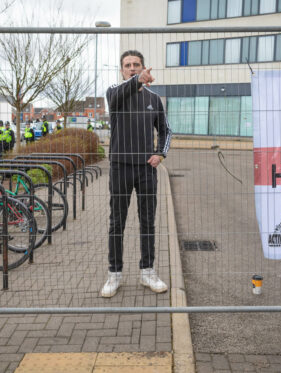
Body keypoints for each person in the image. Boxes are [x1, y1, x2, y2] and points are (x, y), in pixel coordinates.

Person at [100, 50, 173, 298]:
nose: (132, 68)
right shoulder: (115, 93)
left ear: (143, 66)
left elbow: (166, 131)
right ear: (122, 70)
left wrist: (160, 154)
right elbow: (121, 92)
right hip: (120, 167)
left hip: (145, 170)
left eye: (137, 65)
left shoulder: (154, 99)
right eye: (128, 65)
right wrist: (137, 81)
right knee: (116, 223)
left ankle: (148, 271)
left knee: (147, 222)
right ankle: (114, 274)